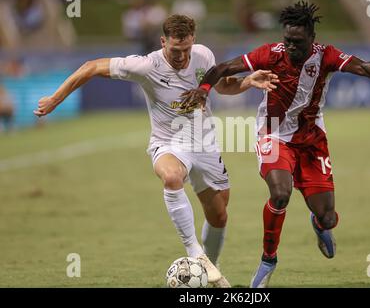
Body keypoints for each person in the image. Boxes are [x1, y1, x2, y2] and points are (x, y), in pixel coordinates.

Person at [179, 1, 370, 288]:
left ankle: (319, 224)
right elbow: (223, 67)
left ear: (311, 39)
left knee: (328, 216)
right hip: (273, 134)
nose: (290, 46)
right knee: (280, 194)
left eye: (297, 42)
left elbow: (363, 66)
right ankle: (269, 260)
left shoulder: (327, 56)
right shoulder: (270, 53)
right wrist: (204, 90)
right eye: (287, 40)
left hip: (311, 140)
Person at [33, 14, 278, 288]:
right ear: (163, 42)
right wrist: (55, 99)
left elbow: (223, 86)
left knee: (219, 215)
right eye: (175, 50)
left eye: (186, 49)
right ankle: (196, 253)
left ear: (193, 41)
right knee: (172, 177)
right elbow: (91, 66)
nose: (181, 56)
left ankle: (211, 266)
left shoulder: (203, 56)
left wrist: (248, 81)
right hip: (168, 143)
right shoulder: (146, 65)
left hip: (204, 144)